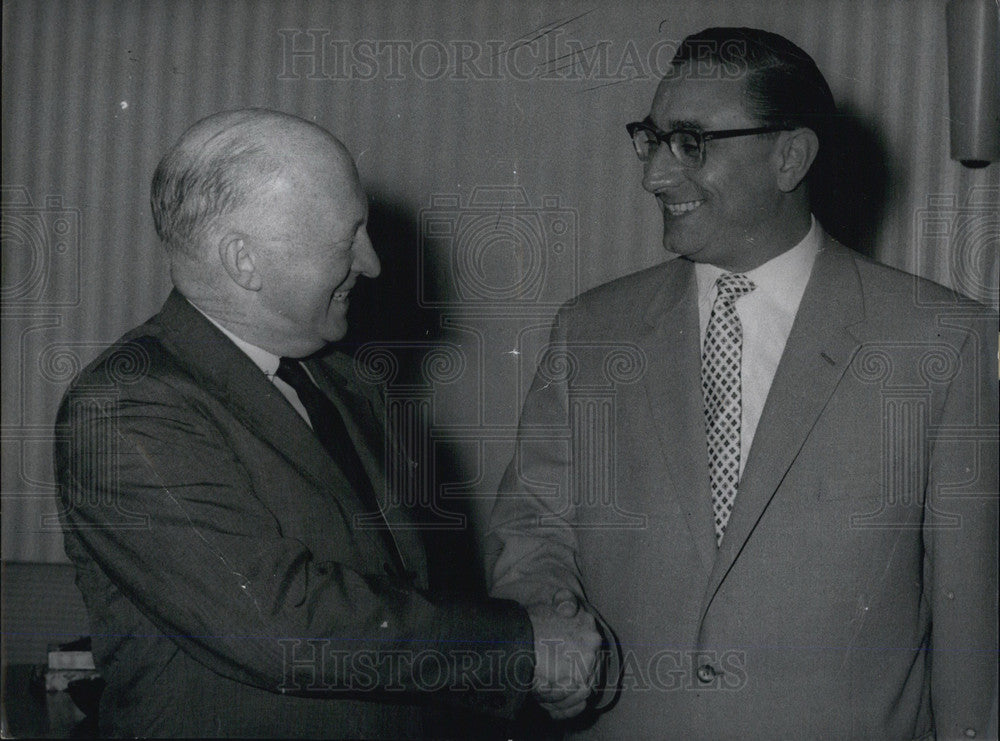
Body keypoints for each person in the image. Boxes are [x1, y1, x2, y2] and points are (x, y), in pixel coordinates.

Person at [487, 27, 998, 739]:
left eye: (690, 143)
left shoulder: (940, 341)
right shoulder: (591, 332)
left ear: (790, 157)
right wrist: (548, 617)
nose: (654, 176)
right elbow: (535, 527)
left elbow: (973, 629)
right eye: (652, 139)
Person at [54, 108, 602, 738]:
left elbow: (400, 602)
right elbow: (277, 626)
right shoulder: (125, 408)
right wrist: (521, 647)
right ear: (244, 261)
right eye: (347, 238)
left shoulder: (344, 382)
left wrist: (533, 648)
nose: (371, 263)